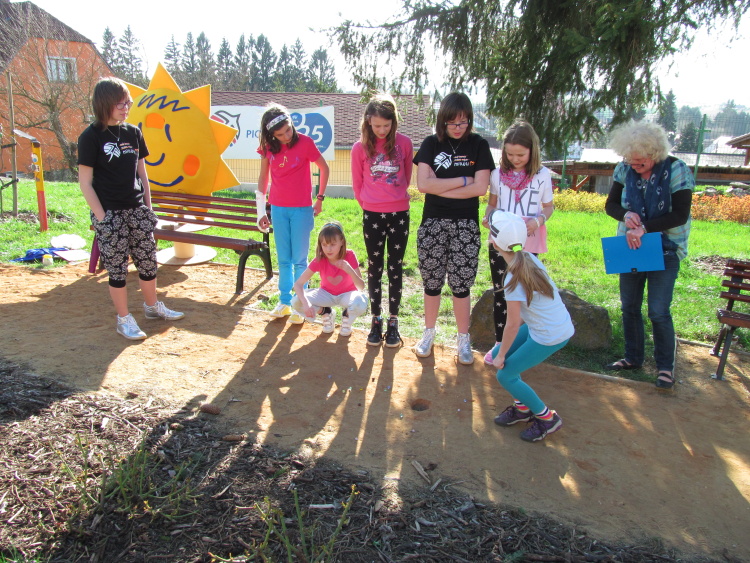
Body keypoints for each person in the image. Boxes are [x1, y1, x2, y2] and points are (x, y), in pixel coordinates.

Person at [77, 77, 184, 341]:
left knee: (148, 262)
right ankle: (124, 319)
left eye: (128, 103)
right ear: (104, 104)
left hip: (137, 210)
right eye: (120, 104)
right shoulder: (90, 137)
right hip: (110, 213)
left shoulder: (133, 133)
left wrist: (148, 208)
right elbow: (85, 183)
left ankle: (152, 306)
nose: (126, 108)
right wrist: (102, 218)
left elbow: (143, 175)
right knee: (117, 269)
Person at [604, 121, 693, 389]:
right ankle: (633, 358)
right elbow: (611, 205)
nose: (634, 165)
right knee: (629, 306)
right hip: (630, 247)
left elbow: (680, 214)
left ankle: (665, 367)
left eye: (640, 161)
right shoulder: (624, 169)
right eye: (629, 160)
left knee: (658, 311)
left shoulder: (676, 169)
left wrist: (645, 227)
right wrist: (626, 215)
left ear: (654, 153)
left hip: (666, 248)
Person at [412, 92, 494, 364]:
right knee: (432, 282)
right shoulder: (431, 144)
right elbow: (423, 185)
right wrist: (463, 180)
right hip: (433, 222)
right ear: (443, 121)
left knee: (461, 285)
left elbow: (480, 188)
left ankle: (463, 339)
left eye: (463, 122)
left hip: (466, 224)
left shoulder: (479, 145)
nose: (458, 128)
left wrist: (440, 186)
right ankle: (428, 333)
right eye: (452, 123)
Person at [488, 211, 574, 442]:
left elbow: (512, 324)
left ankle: (547, 418)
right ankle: (522, 408)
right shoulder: (527, 258)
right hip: (546, 326)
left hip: (550, 335)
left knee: (505, 375)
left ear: (494, 243)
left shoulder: (513, 278)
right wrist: (500, 354)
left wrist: (503, 356)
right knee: (497, 355)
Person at [481, 120, 554, 365]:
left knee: (524, 294)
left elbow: (549, 207)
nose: (515, 159)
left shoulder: (542, 175)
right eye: (510, 154)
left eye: (520, 155)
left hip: (528, 242)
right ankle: (499, 342)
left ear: (532, 150)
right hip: (500, 242)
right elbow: (492, 204)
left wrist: (539, 220)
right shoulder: (496, 175)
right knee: (501, 291)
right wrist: (488, 217)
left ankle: (519, 343)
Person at [256, 104, 330, 325]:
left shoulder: (305, 142)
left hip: (302, 210)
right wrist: (261, 211)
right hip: (278, 209)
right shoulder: (268, 148)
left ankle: (301, 304)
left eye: (288, 130)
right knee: (284, 259)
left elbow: (324, 168)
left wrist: (320, 198)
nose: (286, 136)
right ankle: (284, 302)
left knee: (299, 260)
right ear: (272, 135)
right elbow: (263, 178)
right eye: (280, 134)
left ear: (291, 123)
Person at [351, 94, 413, 348]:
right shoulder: (359, 148)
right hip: (372, 214)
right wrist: (371, 205)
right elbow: (357, 184)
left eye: (386, 125)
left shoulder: (405, 143)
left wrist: (393, 201)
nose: (382, 130)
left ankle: (393, 322)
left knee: (395, 267)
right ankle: (375, 320)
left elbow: (406, 176)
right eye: (377, 125)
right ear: (368, 121)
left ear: (394, 122)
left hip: (399, 214)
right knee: (375, 267)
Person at [291, 222, 369, 337]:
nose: (329, 249)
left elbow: (361, 287)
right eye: (324, 244)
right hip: (326, 294)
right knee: (296, 301)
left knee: (360, 302)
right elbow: (298, 284)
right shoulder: (320, 259)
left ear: (341, 241)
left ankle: (347, 315)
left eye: (333, 244)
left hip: (347, 295)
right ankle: (326, 312)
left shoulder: (349, 255)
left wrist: (349, 270)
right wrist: (306, 303)